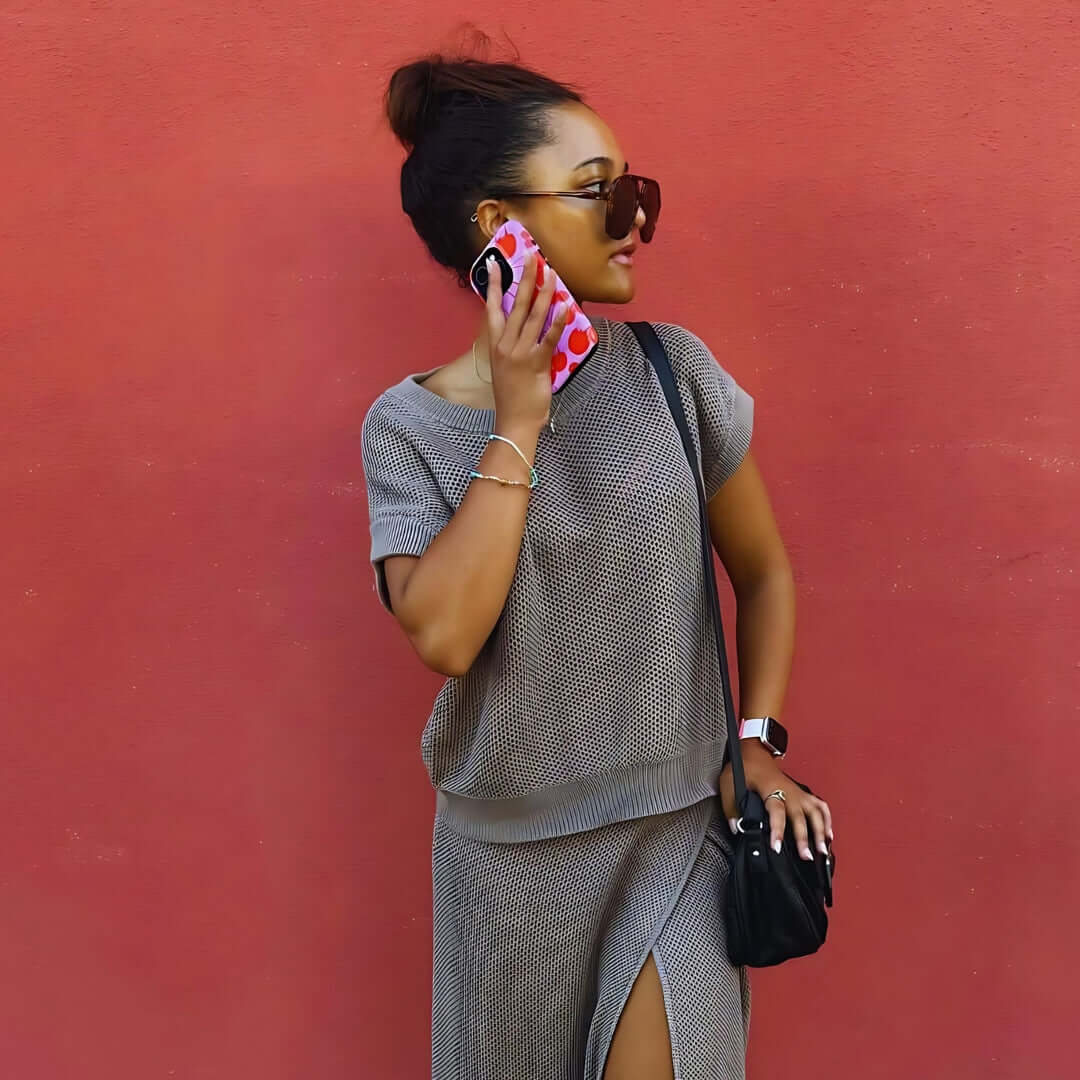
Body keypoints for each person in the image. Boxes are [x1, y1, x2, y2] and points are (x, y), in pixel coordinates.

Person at [361, 47, 835, 1080]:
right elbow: (443, 635)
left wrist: (756, 742)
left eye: (634, 191)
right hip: (510, 868)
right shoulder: (406, 429)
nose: (633, 220)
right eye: (596, 193)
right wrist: (521, 419)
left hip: (675, 835)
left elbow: (766, 575)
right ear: (498, 227)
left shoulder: (676, 372)